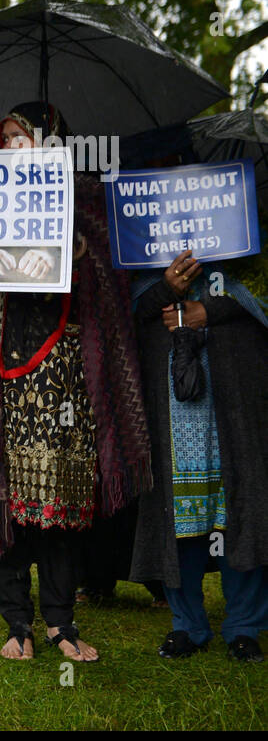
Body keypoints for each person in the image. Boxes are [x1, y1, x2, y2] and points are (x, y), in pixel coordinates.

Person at [0, 102, 152, 661]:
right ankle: (18, 623)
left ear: (50, 142)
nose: (12, 148)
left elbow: (113, 286)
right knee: (1, 495)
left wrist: (78, 254)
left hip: (63, 378)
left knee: (60, 496)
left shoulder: (82, 198)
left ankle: (61, 622)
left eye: (22, 138)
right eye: (5, 139)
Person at [130, 243, 268, 661]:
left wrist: (210, 309)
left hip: (236, 391)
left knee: (237, 504)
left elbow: (258, 298)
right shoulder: (142, 234)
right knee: (179, 510)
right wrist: (166, 289)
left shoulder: (246, 227)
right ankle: (186, 624)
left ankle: (244, 625)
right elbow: (124, 314)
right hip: (171, 402)